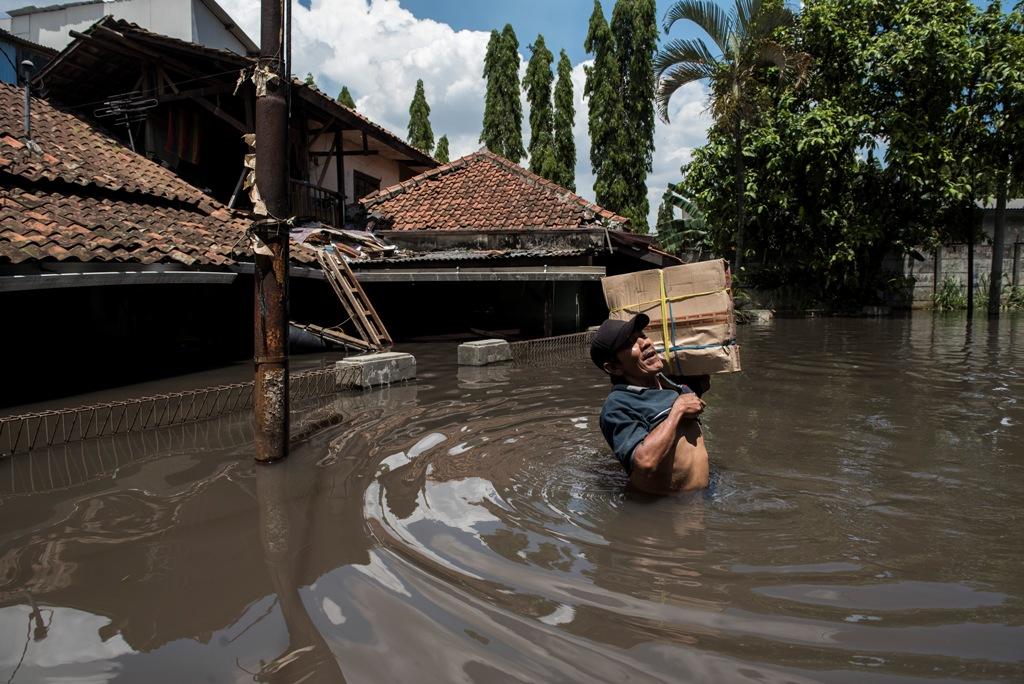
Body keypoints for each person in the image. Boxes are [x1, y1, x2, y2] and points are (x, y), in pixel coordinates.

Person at [591, 314, 711, 494]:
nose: (645, 342)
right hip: (666, 510)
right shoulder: (617, 406)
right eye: (630, 343)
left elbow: (696, 395)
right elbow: (645, 462)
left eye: (643, 335)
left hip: (703, 496)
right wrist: (677, 411)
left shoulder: (670, 385)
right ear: (613, 368)